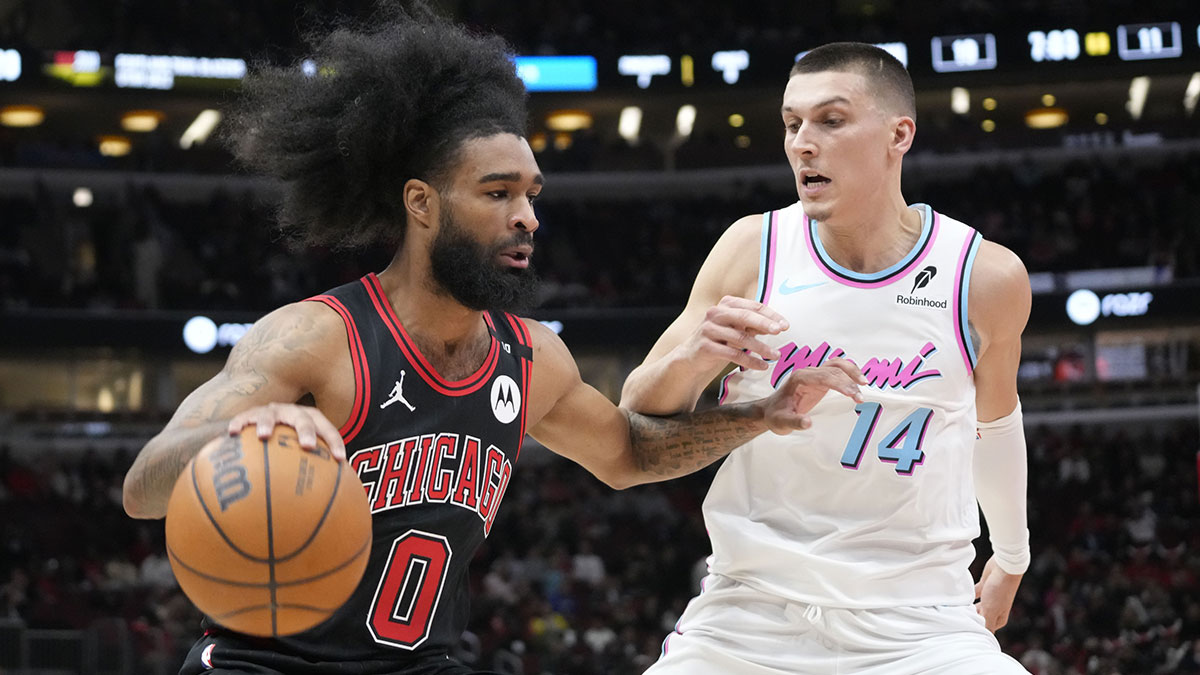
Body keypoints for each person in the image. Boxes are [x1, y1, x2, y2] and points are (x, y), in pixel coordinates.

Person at [120, 8, 866, 675]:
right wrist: (240, 433)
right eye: (497, 193)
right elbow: (143, 484)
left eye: (531, 195)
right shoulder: (316, 337)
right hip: (263, 662)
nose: (526, 218)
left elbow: (632, 453)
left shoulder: (532, 356)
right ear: (421, 203)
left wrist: (759, 416)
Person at [621, 42, 1032, 674]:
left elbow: (995, 425)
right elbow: (638, 414)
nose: (801, 144)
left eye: (830, 121)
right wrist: (697, 358)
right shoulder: (751, 249)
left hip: (920, 623)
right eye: (791, 123)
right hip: (750, 613)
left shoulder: (984, 276)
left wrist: (1011, 555)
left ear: (900, 134)